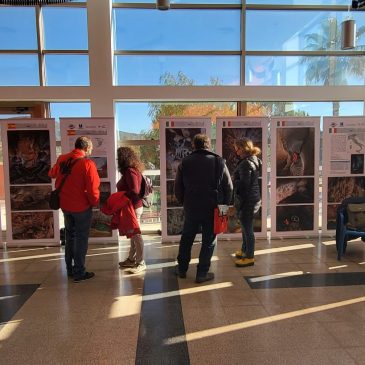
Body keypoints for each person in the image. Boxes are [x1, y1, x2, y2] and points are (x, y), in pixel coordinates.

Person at [174, 134, 233, 283]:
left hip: (191, 207)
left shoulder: (185, 162)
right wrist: (223, 207)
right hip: (212, 207)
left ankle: (182, 269)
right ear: (208, 145)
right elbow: (229, 187)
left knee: (187, 238)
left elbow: (177, 187)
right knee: (209, 240)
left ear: (194, 145)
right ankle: (202, 273)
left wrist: (184, 202)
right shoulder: (219, 161)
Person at [49, 136, 100, 282]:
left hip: (65, 205)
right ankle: (79, 272)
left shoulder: (63, 158)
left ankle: (70, 269)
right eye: (90, 148)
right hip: (81, 207)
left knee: (70, 236)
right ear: (86, 148)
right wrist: (94, 203)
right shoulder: (87, 163)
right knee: (81, 238)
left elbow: (52, 173)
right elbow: (93, 188)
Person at [116, 147, 146, 274]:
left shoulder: (130, 171)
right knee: (133, 234)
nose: (117, 159)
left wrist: (122, 196)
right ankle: (131, 259)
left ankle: (141, 262)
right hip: (133, 206)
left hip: (133, 206)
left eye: (119, 157)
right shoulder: (132, 170)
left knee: (136, 235)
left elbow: (134, 190)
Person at [233, 137, 262, 267]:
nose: (236, 151)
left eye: (237, 148)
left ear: (243, 148)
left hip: (248, 200)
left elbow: (244, 184)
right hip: (253, 198)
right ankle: (244, 250)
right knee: (245, 227)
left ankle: (249, 256)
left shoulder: (245, 163)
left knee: (247, 228)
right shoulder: (253, 160)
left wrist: (234, 181)